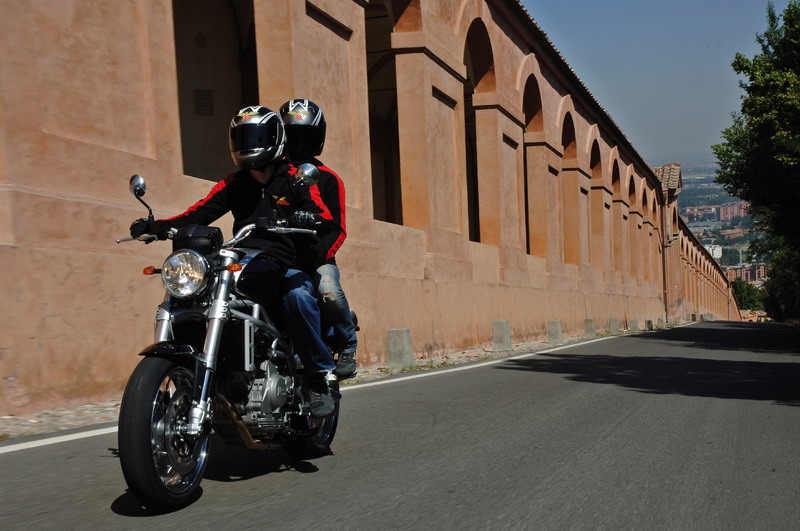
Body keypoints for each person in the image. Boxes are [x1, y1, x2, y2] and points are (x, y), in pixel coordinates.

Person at [129, 106, 336, 417]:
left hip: (286, 260)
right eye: (242, 138)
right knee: (198, 291)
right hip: (244, 258)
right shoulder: (234, 182)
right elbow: (196, 214)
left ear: (274, 139)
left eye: (255, 138)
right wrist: (157, 226)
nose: (248, 145)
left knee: (298, 297)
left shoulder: (296, 178)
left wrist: (309, 217)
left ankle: (317, 377)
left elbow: (323, 215)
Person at [279, 99, 358, 379]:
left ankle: (347, 343)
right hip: (279, 254)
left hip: (317, 256)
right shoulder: (275, 174)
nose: (299, 142)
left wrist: (318, 255)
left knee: (329, 291)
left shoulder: (328, 178)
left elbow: (338, 229)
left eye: (306, 136)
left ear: (318, 137)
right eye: (292, 135)